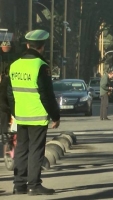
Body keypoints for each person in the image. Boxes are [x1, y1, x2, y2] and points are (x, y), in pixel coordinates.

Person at [7, 29, 60, 195]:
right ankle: (34, 185)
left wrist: (15, 112)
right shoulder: (41, 66)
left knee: (22, 149)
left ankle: (19, 185)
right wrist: (55, 116)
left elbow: (9, 93)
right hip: (37, 116)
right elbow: (47, 95)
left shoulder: (14, 65)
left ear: (28, 45)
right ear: (42, 47)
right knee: (36, 150)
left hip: (21, 116)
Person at [0, 67, 10, 144]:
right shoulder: (7, 81)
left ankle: (4, 134)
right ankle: (4, 135)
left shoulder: (4, 81)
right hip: (4, 105)